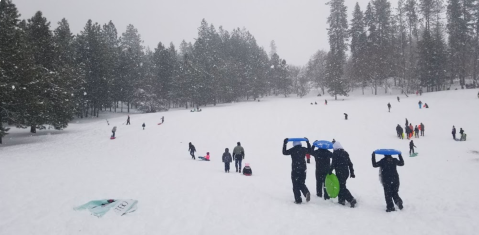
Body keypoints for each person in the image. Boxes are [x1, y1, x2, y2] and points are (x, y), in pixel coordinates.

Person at [283, 138, 311, 204]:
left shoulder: (293, 150)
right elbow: (310, 151)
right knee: (301, 183)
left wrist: (285, 143)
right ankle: (306, 192)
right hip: (303, 169)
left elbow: (284, 152)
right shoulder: (303, 149)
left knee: (295, 184)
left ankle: (298, 200)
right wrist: (307, 142)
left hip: (295, 169)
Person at [329, 142, 357, 207]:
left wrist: (330, 171)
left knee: (341, 187)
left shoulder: (335, 153)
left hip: (340, 172)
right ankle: (341, 200)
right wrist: (352, 172)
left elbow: (333, 164)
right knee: (341, 185)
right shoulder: (345, 153)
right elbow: (350, 164)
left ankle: (351, 199)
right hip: (346, 172)